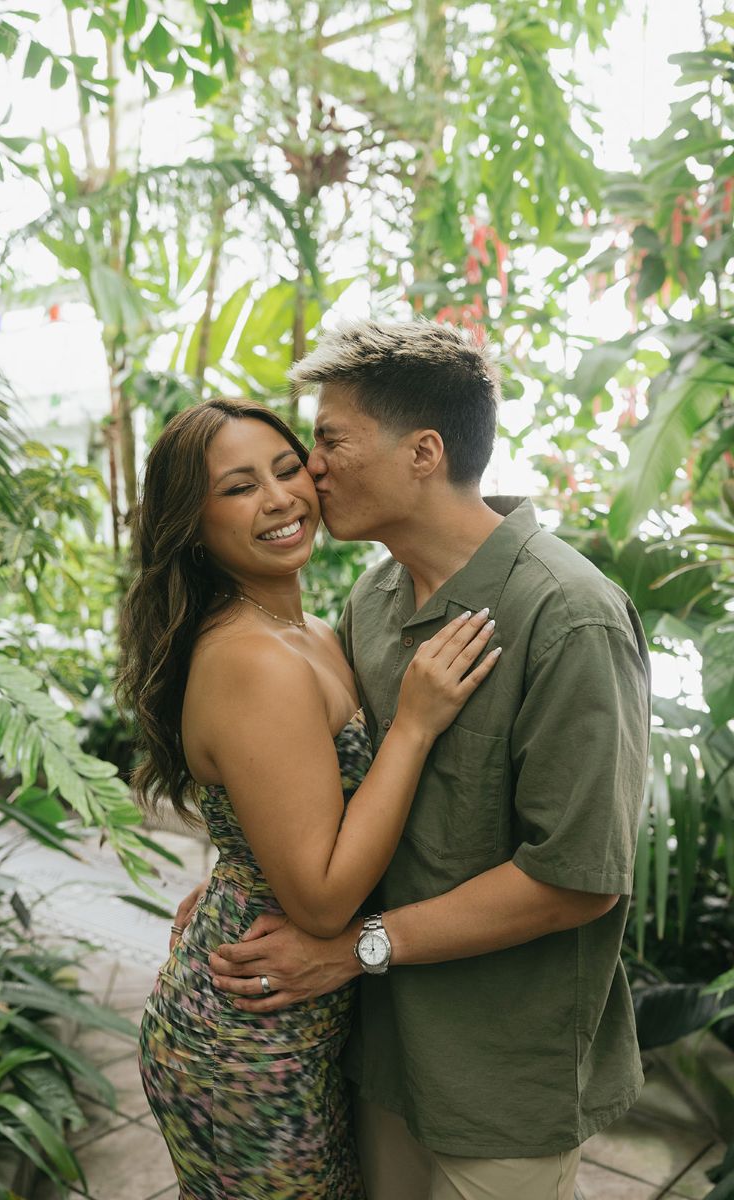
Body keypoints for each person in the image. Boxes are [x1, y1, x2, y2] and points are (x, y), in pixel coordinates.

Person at [179, 319, 652, 1200]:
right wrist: (249, 872)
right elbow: (338, 786)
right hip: (379, 1052)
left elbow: (580, 879)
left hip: (498, 1078)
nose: (309, 471)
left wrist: (357, 947)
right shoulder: (375, 595)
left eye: (327, 441)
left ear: (424, 451)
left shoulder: (568, 616)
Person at [116, 396, 500, 1200]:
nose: (281, 498)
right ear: (192, 522)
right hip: (246, 1041)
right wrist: (415, 725)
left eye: (288, 469)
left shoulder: (312, 630)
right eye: (239, 487)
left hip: (293, 1019)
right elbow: (324, 904)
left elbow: (291, 815)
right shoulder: (253, 661)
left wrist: (236, 873)